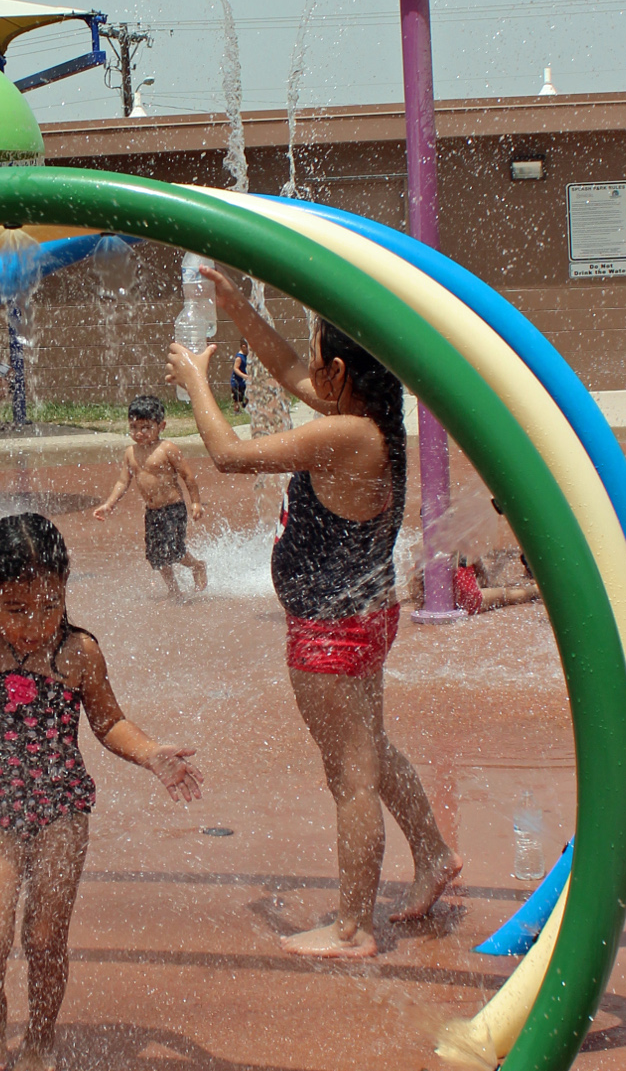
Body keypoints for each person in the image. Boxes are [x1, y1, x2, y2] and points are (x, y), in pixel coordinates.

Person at [167, 268, 462, 959]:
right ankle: (433, 854)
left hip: (333, 631)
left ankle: (353, 927)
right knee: (371, 752)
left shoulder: (349, 437)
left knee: (350, 777)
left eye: (318, 353)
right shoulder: (366, 418)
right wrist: (238, 305)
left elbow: (229, 455)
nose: (308, 367)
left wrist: (197, 385)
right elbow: (290, 367)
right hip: (361, 612)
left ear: (340, 373)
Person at [0, 514, 203, 1071]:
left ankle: (43, 1033)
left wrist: (150, 754)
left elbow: (109, 722)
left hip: (60, 810)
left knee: (46, 937)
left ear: (66, 592)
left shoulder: (78, 654)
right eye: (17, 609)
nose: (35, 623)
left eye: (49, 605)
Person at [92, 395, 207, 597]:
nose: (139, 433)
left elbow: (187, 476)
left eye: (145, 427)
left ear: (161, 426)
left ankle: (197, 565)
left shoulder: (167, 449)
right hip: (152, 511)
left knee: (173, 550)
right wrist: (109, 504)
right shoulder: (130, 452)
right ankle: (174, 591)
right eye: (134, 427)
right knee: (157, 556)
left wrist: (196, 502)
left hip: (173, 508)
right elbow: (122, 481)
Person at [230, 341, 249, 412]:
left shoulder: (246, 356)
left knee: (247, 395)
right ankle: (236, 410)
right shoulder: (239, 357)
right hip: (236, 381)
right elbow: (235, 368)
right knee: (237, 398)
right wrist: (244, 376)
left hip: (243, 381)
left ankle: (245, 407)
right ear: (244, 346)